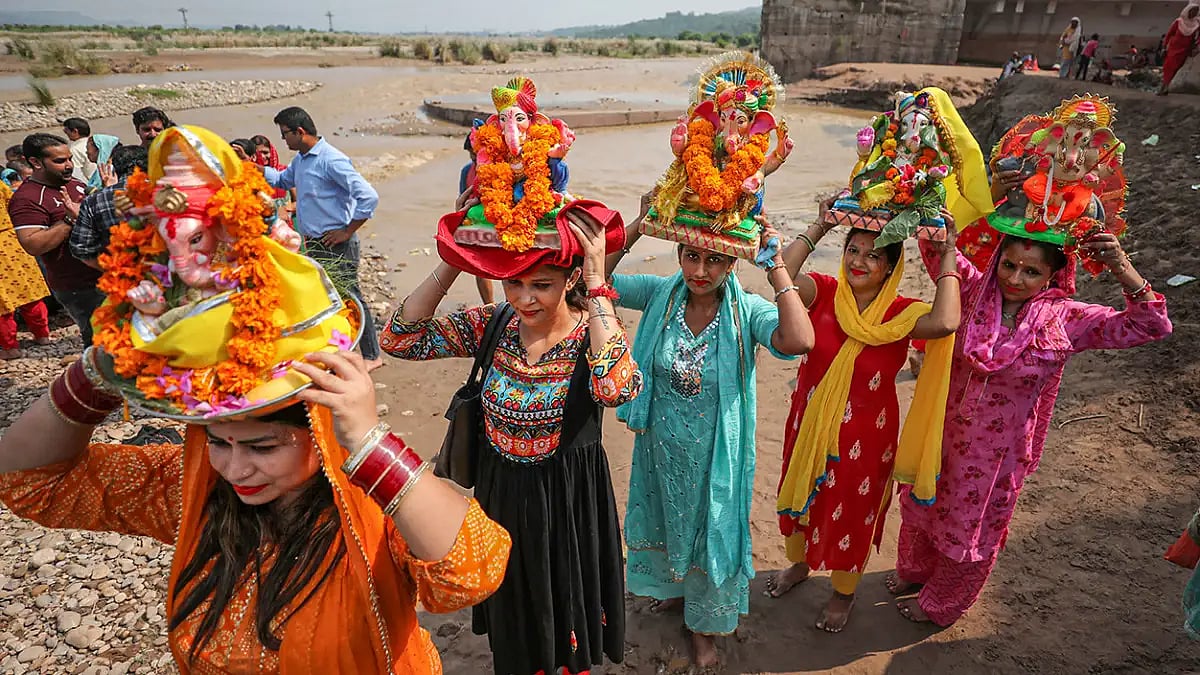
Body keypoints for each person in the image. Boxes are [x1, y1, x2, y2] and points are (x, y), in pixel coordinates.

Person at [382, 207, 642, 675]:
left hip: (566, 500)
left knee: (563, 605)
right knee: (512, 607)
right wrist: (455, 259)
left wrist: (600, 281)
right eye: (513, 284)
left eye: (541, 284)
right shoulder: (495, 323)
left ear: (570, 278)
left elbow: (615, 388)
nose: (525, 299)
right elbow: (401, 339)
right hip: (499, 493)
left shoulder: (593, 331)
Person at [889, 231, 1172, 626]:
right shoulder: (969, 291)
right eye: (1009, 265)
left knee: (970, 524)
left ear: (1054, 276)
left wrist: (1120, 265)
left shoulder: (1066, 319)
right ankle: (915, 572)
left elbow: (1150, 325)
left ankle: (942, 601)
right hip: (940, 434)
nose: (1016, 279)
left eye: (1031, 272)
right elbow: (937, 247)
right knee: (924, 503)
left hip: (997, 455)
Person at [607, 199, 813, 666]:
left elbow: (799, 340)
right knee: (668, 522)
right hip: (661, 448)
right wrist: (640, 223)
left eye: (716, 258)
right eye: (692, 256)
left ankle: (705, 628)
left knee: (711, 535)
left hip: (716, 458)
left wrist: (776, 265)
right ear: (678, 254)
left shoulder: (747, 313)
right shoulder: (661, 294)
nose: (701, 270)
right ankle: (677, 591)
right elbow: (592, 281)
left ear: (733, 260)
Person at [767, 200, 962, 633]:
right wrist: (819, 224)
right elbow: (780, 280)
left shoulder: (902, 315)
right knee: (801, 496)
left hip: (868, 434)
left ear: (891, 267)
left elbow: (947, 322)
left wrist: (948, 251)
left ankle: (843, 592)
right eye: (853, 250)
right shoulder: (821, 293)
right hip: (808, 422)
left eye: (874, 255)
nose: (859, 261)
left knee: (853, 510)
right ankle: (799, 565)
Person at [262, 106, 383, 371]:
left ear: (300, 132)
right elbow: (283, 180)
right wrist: (253, 168)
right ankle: (343, 350)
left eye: (285, 135)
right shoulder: (302, 160)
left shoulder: (331, 159)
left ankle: (372, 356)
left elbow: (368, 196)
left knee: (351, 296)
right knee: (328, 299)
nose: (283, 140)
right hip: (315, 242)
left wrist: (347, 231)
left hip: (336, 242)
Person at [7, 133, 103, 347]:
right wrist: (70, 220)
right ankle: (98, 378)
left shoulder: (74, 183)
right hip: (78, 283)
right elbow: (33, 244)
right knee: (101, 340)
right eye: (59, 161)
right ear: (35, 162)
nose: (69, 165)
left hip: (105, 271)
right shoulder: (27, 198)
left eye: (69, 159)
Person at [70, 145, 148, 269]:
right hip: (172, 279)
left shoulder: (94, 200)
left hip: (123, 281)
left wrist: (113, 270)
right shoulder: (166, 191)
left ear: (115, 169)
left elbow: (81, 249)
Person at [0, 179, 51, 359]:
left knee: (3, 303)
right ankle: (42, 335)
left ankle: (9, 347)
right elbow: (12, 202)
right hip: (12, 241)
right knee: (29, 291)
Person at [456, 132, 496, 305]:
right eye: (473, 159)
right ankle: (490, 307)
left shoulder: (502, 170)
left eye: (478, 158)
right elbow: (461, 201)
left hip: (501, 222)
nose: (476, 163)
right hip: (477, 224)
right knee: (479, 269)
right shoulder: (467, 171)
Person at [1159, 2, 1200, 95]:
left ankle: (1165, 87)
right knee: (1167, 67)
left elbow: (1198, 37)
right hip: (1173, 49)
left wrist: (1197, 46)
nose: (1193, 13)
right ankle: (1164, 87)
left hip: (1185, 50)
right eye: (1192, 11)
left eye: (1196, 11)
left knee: (1175, 68)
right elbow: (1169, 34)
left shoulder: (1196, 24)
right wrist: (1164, 47)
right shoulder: (1178, 22)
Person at [61, 117, 96, 184]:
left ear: (75, 131)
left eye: (66, 130)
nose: (65, 133)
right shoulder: (95, 143)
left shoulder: (75, 149)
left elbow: (75, 174)